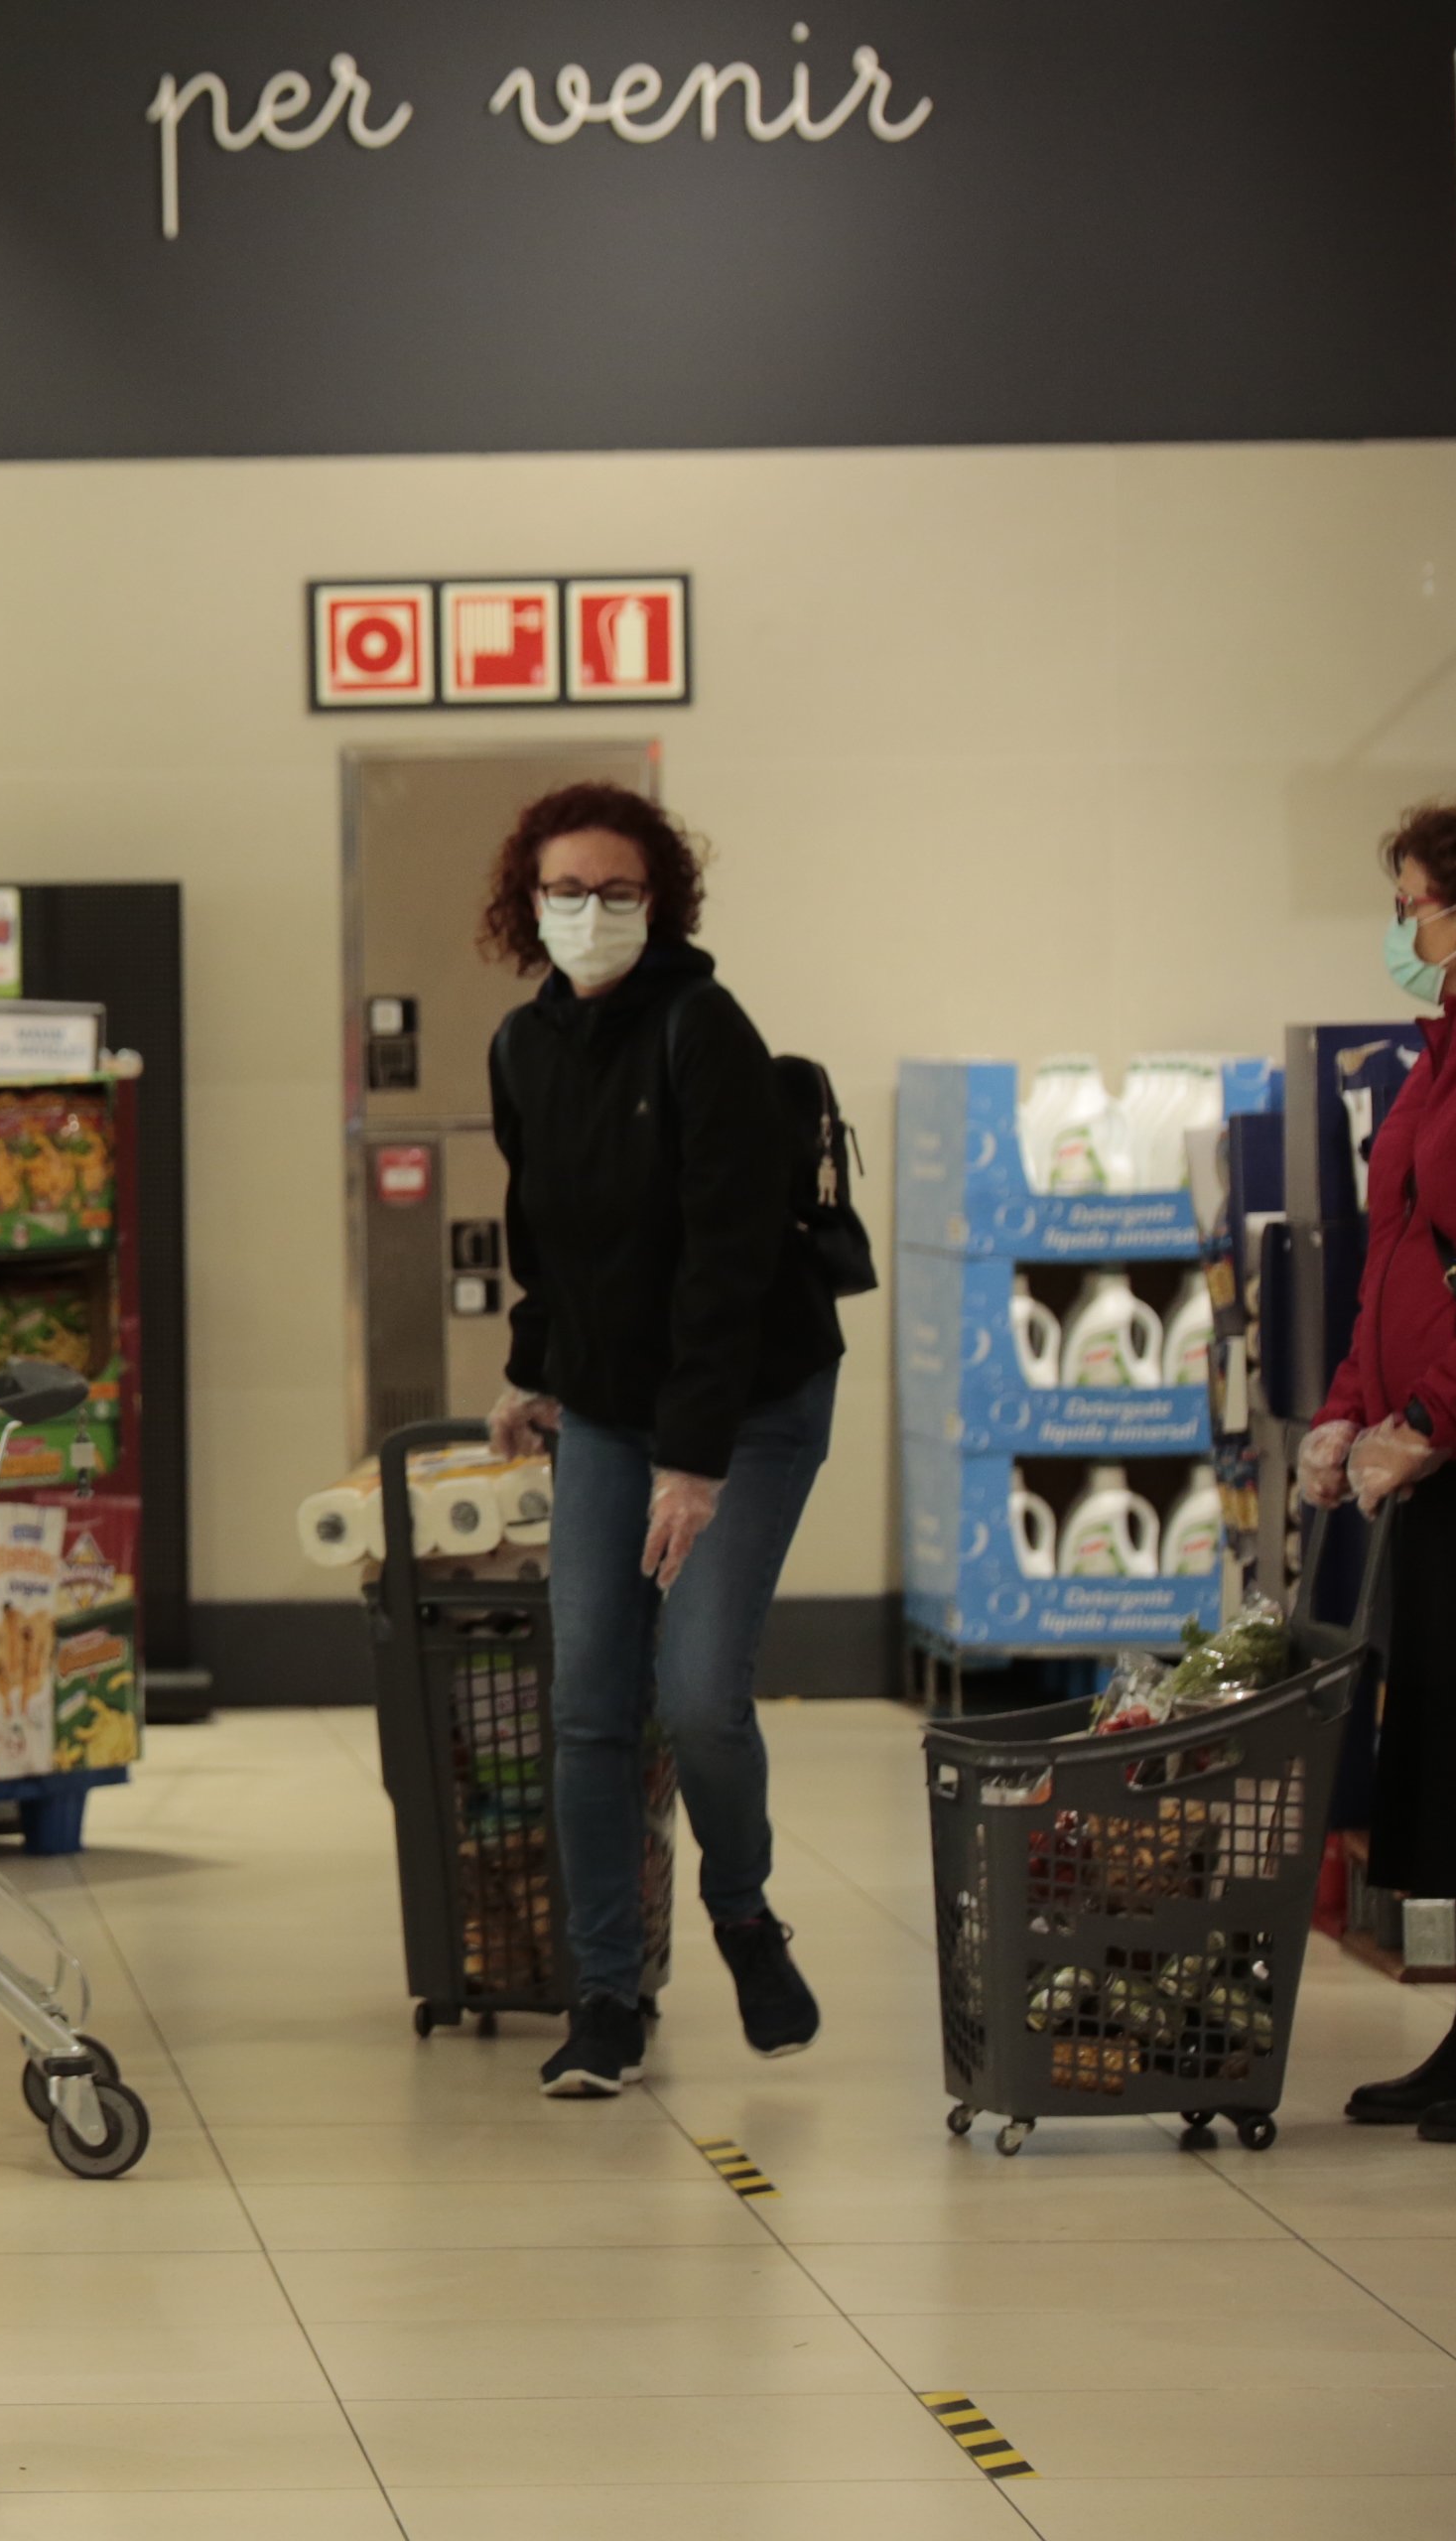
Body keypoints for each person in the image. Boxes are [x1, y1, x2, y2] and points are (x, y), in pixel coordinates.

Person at [479, 783, 846, 2098]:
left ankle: (742, 1917)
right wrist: (536, 1373)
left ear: (661, 899)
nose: (589, 913)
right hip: (615, 1405)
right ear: (528, 905)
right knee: (586, 1708)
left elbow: (728, 1265)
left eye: (616, 890)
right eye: (564, 892)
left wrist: (694, 1463)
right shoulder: (523, 1049)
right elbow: (550, 1234)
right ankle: (604, 1997)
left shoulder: (706, 1031)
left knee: (693, 1694)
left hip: (748, 1405)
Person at [1299, 796, 1456, 2144]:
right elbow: (1396, 1256)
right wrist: (1351, 1408)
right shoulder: (1441, 1055)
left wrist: (1435, 1418)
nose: (1404, 929)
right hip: (1446, 1463)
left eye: (1421, 904)